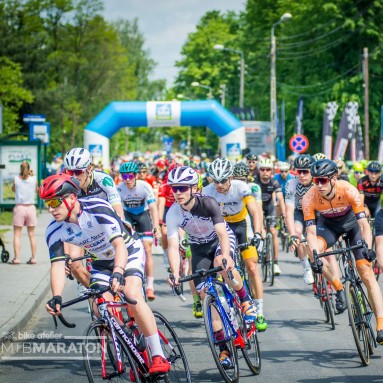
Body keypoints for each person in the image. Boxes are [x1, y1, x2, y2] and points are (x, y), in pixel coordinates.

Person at [39, 174, 171, 374]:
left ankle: (158, 355)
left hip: (129, 251)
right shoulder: (54, 230)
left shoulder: (97, 208)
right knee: (101, 306)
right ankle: (127, 335)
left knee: (132, 295)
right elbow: (57, 265)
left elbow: (119, 245)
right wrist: (56, 295)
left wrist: (118, 272)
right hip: (101, 262)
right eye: (47, 204)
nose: (50, 209)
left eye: (55, 202)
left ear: (72, 198)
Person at [166, 166, 258, 368]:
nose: (178, 192)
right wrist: (174, 273)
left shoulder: (208, 202)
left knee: (221, 264)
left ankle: (245, 300)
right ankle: (224, 349)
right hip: (198, 248)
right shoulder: (173, 213)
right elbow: (173, 247)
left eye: (182, 188)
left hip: (220, 241)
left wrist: (226, 256)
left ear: (193, 188)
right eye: (174, 188)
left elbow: (223, 234)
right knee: (206, 294)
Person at [302, 159, 383, 344]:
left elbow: (363, 224)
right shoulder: (310, 197)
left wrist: (367, 248)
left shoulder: (347, 189)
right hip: (328, 227)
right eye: (316, 181)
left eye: (323, 180)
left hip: (351, 226)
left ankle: (381, 324)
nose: (319, 185)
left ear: (333, 178)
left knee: (366, 273)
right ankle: (338, 286)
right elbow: (311, 232)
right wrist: (315, 257)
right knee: (313, 251)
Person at [203, 158, 267, 331]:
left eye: (223, 180)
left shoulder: (241, 187)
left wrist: (259, 232)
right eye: (216, 181)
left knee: (252, 267)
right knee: (220, 267)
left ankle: (259, 310)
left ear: (230, 178)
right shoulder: (207, 191)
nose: (220, 185)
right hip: (222, 227)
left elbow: (255, 211)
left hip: (241, 224)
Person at [63, 147, 124, 286]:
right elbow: (64, 222)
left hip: (105, 225)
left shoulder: (103, 179)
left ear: (89, 168)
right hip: (82, 227)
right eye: (69, 172)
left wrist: (121, 228)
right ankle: (95, 291)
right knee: (74, 263)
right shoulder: (68, 186)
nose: (74, 176)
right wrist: (65, 254)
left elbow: (117, 209)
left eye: (78, 171)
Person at [117, 161, 161, 301]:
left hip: (143, 215)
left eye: (130, 176)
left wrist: (156, 227)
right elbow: (117, 210)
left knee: (147, 249)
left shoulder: (144, 186)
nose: (128, 180)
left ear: (136, 175)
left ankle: (149, 286)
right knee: (125, 247)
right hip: (127, 215)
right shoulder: (119, 188)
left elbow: (153, 207)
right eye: (124, 177)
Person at [285, 155, 315, 284]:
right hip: (300, 212)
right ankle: (306, 268)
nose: (302, 175)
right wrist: (292, 235)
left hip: (316, 212)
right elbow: (289, 211)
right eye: (299, 171)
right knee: (298, 233)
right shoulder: (291, 183)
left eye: (305, 171)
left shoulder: (318, 181)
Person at [254, 157, 286, 275]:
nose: (265, 172)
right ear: (259, 170)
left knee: (273, 232)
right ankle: (261, 252)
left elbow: (281, 199)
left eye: (268, 169)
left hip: (270, 208)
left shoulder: (274, 182)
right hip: (258, 209)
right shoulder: (254, 182)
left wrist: (284, 215)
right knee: (261, 231)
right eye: (262, 169)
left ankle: (275, 262)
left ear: (272, 171)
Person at [10, 161, 38, 265]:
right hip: (31, 208)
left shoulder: (16, 179)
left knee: (17, 235)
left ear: (20, 168)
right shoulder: (34, 179)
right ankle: (34, 258)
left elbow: (13, 189)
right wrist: (32, 175)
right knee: (32, 235)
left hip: (19, 208)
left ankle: (17, 258)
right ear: (29, 168)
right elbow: (36, 190)